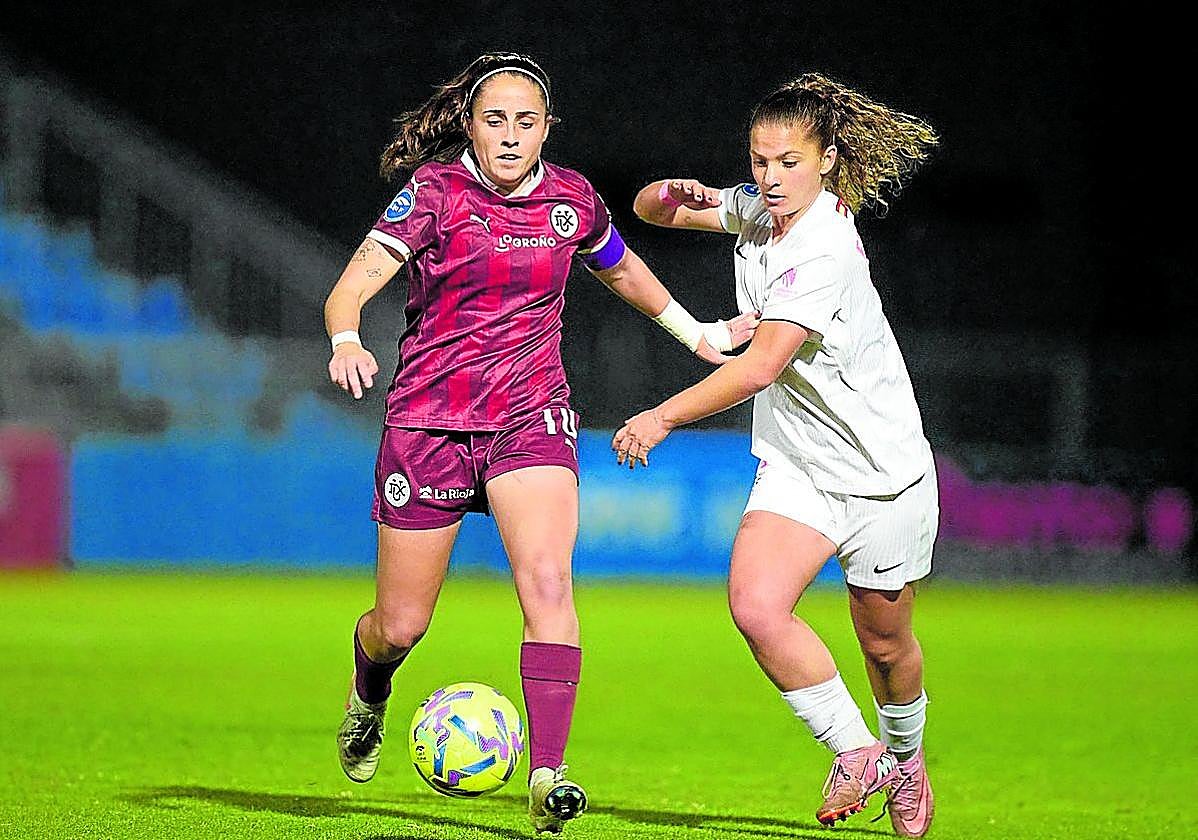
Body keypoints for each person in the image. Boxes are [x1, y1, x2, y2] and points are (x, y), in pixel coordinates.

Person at [323, 52, 757, 834]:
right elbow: (351, 285)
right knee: (400, 626)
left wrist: (698, 332)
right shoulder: (433, 193)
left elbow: (622, 272)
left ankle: (549, 774)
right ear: (470, 124)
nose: (512, 136)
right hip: (430, 425)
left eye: (527, 122)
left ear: (546, 128)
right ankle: (368, 695)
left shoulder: (572, 199)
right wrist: (348, 337)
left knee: (550, 584)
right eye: (496, 120)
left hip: (531, 415)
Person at [615, 73, 939, 837]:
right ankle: (857, 751)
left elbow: (760, 366)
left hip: (882, 477)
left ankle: (906, 757)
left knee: (884, 643)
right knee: (757, 607)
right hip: (799, 467)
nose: (770, 177)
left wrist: (662, 417)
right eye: (760, 160)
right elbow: (649, 210)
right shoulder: (759, 210)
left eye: (789, 161)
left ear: (826, 160)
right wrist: (674, 191)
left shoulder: (824, 245)